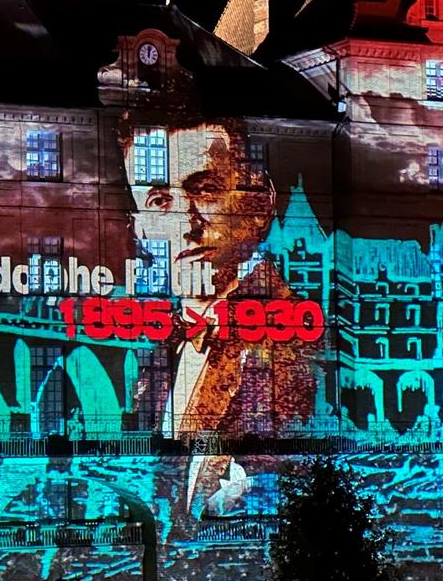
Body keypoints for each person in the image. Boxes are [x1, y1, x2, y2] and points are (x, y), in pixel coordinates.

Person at [119, 114, 320, 516]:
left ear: (259, 205)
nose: (186, 223)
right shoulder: (160, 341)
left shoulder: (293, 332)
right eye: (160, 201)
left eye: (206, 190)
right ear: (139, 227)